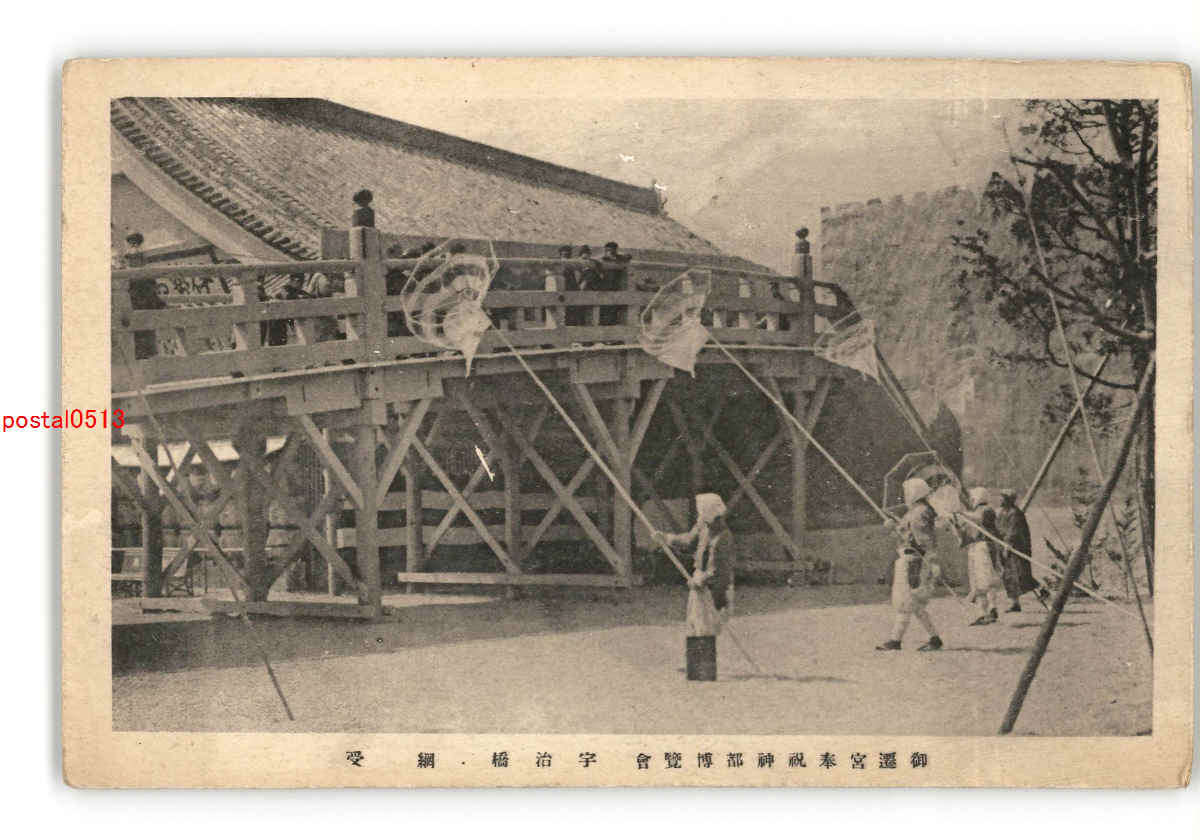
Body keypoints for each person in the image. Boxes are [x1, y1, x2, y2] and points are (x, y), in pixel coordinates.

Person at [652, 493, 736, 634]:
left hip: (715, 588)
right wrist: (666, 538)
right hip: (700, 583)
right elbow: (688, 540)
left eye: (701, 512)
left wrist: (701, 580)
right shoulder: (703, 526)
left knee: (705, 632)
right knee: (694, 629)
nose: (699, 516)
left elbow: (719, 571)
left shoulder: (723, 537)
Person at [877, 477, 943, 652]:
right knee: (914, 604)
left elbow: (924, 539)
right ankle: (934, 638)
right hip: (910, 558)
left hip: (914, 561)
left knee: (905, 602)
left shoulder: (919, 512)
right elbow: (906, 537)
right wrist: (893, 526)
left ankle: (895, 640)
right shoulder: (916, 511)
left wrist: (933, 561)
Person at [953, 487, 1004, 625]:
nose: (971, 500)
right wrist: (956, 526)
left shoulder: (987, 510)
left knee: (986, 579)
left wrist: (961, 513)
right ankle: (984, 612)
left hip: (984, 547)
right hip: (974, 548)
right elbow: (965, 537)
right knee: (977, 581)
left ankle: (991, 608)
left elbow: (980, 519)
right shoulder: (972, 514)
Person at [996, 489, 1043, 611]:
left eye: (1002, 497)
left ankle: (1042, 589)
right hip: (1005, 548)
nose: (999, 500)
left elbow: (1014, 531)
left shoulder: (1015, 513)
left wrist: (1008, 543)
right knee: (1009, 576)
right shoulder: (1001, 513)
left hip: (1017, 548)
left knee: (1021, 574)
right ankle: (1015, 603)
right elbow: (998, 528)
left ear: (1008, 499)